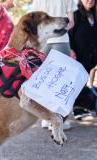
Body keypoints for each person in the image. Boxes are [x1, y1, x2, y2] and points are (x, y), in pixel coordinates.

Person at [31, 0, 77, 130]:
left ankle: (46, 118)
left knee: (44, 80)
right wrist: (60, 30)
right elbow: (71, 22)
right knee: (60, 81)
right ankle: (56, 120)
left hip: (43, 41)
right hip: (61, 40)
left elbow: (34, 21)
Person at [69, 0, 97, 119]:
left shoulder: (96, 16)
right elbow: (70, 33)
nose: (89, 0)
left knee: (84, 80)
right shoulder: (75, 14)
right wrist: (71, 49)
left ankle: (80, 106)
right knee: (77, 81)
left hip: (91, 54)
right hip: (78, 54)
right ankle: (77, 108)